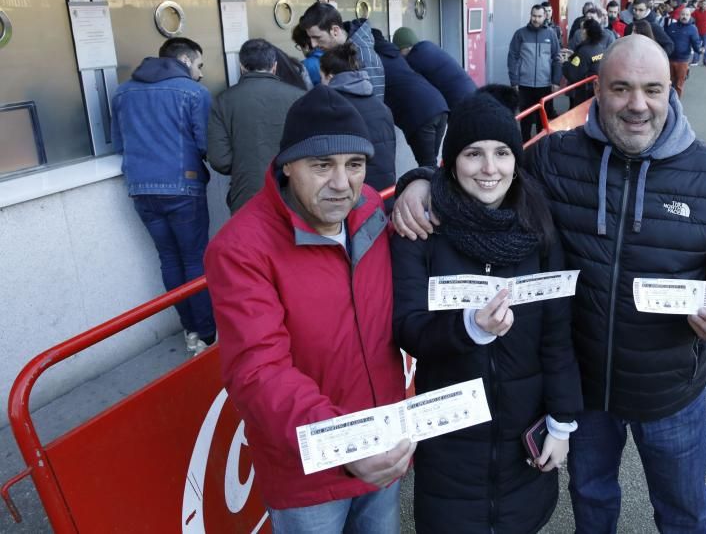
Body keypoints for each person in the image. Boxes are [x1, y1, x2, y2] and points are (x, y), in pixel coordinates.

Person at [392, 33, 706, 534]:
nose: (637, 104)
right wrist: (416, 180)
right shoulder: (553, 158)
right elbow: (485, 167)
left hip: (669, 390)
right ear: (597, 90)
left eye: (653, 89)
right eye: (621, 88)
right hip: (585, 390)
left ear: (671, 91)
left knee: (684, 509)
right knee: (592, 501)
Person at [204, 86, 413, 533]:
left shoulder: (371, 208)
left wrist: (421, 180)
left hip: (382, 442)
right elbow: (258, 373)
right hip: (308, 473)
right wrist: (348, 443)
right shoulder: (240, 249)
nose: (342, 184)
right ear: (287, 166)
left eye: (354, 165)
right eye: (322, 165)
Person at [391, 86, 582, 534]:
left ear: (517, 159)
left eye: (502, 153)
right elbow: (408, 327)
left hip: (523, 435)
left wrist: (561, 422)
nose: (490, 168)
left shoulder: (539, 225)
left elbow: (557, 336)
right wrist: (470, 329)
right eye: (473, 154)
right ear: (452, 160)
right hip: (451, 443)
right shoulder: (422, 226)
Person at [110, 37, 215, 355]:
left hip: (141, 189)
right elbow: (205, 145)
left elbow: (118, 142)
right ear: (185, 61)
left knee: (169, 259)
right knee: (195, 261)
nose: (200, 73)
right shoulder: (194, 93)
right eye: (198, 65)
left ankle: (191, 331)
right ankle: (209, 336)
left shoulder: (122, 91)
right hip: (184, 187)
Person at [207, 38, 306, 213]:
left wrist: (243, 166)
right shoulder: (299, 97)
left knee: (251, 239)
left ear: (242, 67)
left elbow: (219, 159)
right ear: (274, 66)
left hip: (247, 191)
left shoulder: (223, 100)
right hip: (293, 190)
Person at [319, 44, 396, 191]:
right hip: (386, 191)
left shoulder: (334, 108)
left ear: (330, 77)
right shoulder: (380, 105)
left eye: (321, 76)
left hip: (357, 195)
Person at [371, 28, 449, 167]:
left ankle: (437, 188)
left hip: (420, 114)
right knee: (432, 163)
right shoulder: (395, 55)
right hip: (440, 105)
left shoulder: (374, 62)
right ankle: (441, 187)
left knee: (427, 165)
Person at [300, 2, 386, 101]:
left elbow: (374, 108)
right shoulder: (340, 51)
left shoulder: (363, 56)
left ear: (335, 31)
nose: (313, 44)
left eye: (317, 37)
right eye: (310, 38)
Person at [507, 4, 562, 141]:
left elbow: (557, 58)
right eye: (533, 16)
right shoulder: (520, 34)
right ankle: (525, 146)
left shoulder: (551, 34)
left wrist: (556, 81)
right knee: (525, 119)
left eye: (539, 16)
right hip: (525, 85)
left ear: (545, 17)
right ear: (530, 15)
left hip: (545, 84)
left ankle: (540, 146)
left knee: (541, 120)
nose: (536, 19)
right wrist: (514, 81)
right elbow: (512, 57)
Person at [393, 27, 476, 110]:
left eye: (399, 50)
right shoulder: (428, 47)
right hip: (472, 92)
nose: (399, 55)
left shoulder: (414, 59)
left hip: (460, 100)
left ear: (405, 48)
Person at [563, 19, 609, 108]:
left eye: (582, 29)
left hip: (584, 95)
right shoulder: (599, 48)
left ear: (586, 31)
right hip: (597, 92)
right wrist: (573, 56)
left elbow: (573, 75)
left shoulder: (583, 51)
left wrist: (565, 63)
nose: (580, 32)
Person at [665, 8, 702, 99]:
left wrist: (699, 50)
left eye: (687, 15)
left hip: (683, 61)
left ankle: (676, 102)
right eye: (683, 14)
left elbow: (696, 42)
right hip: (670, 59)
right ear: (679, 15)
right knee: (668, 82)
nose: (684, 17)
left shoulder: (693, 29)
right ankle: (667, 100)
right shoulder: (672, 26)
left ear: (690, 16)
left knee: (679, 84)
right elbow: (665, 39)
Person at [691, 0, 706, 67]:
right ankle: (695, 60)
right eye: (702, 4)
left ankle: (705, 61)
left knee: (705, 47)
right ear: (700, 4)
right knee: (696, 46)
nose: (703, 5)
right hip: (697, 32)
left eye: (705, 4)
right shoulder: (696, 11)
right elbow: (690, 17)